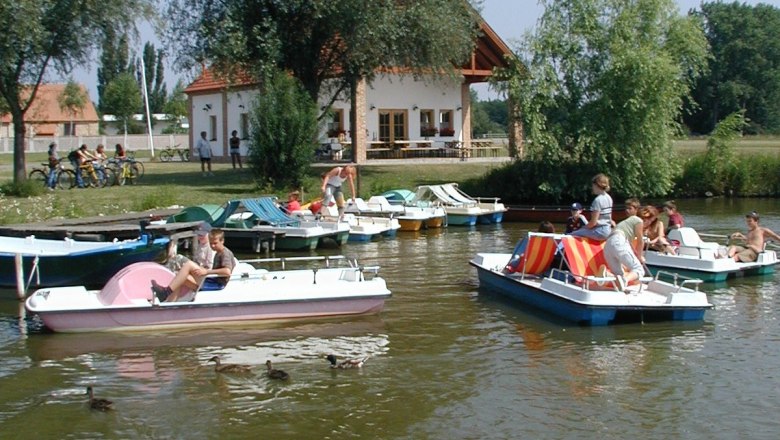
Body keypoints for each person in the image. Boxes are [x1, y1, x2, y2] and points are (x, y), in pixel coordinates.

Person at [152, 228, 234, 302]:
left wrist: (207, 272)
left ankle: (166, 292)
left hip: (216, 284)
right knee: (179, 276)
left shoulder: (225, 253)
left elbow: (227, 271)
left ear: (222, 241)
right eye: (211, 243)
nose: (212, 246)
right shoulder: (218, 252)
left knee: (189, 265)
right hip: (210, 280)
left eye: (215, 243)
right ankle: (170, 303)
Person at [603, 198, 646, 291]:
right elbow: (640, 241)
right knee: (639, 269)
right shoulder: (637, 220)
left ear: (636, 209)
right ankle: (624, 279)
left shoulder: (624, 223)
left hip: (608, 245)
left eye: (629, 208)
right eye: (626, 208)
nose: (627, 210)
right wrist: (640, 257)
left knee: (619, 274)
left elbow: (628, 245)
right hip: (619, 240)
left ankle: (608, 275)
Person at [570, 173, 613, 241]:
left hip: (600, 232)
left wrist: (584, 227)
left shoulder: (597, 200)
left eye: (593, 185)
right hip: (608, 230)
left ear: (596, 185)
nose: (592, 188)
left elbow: (593, 223)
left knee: (572, 234)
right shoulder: (609, 198)